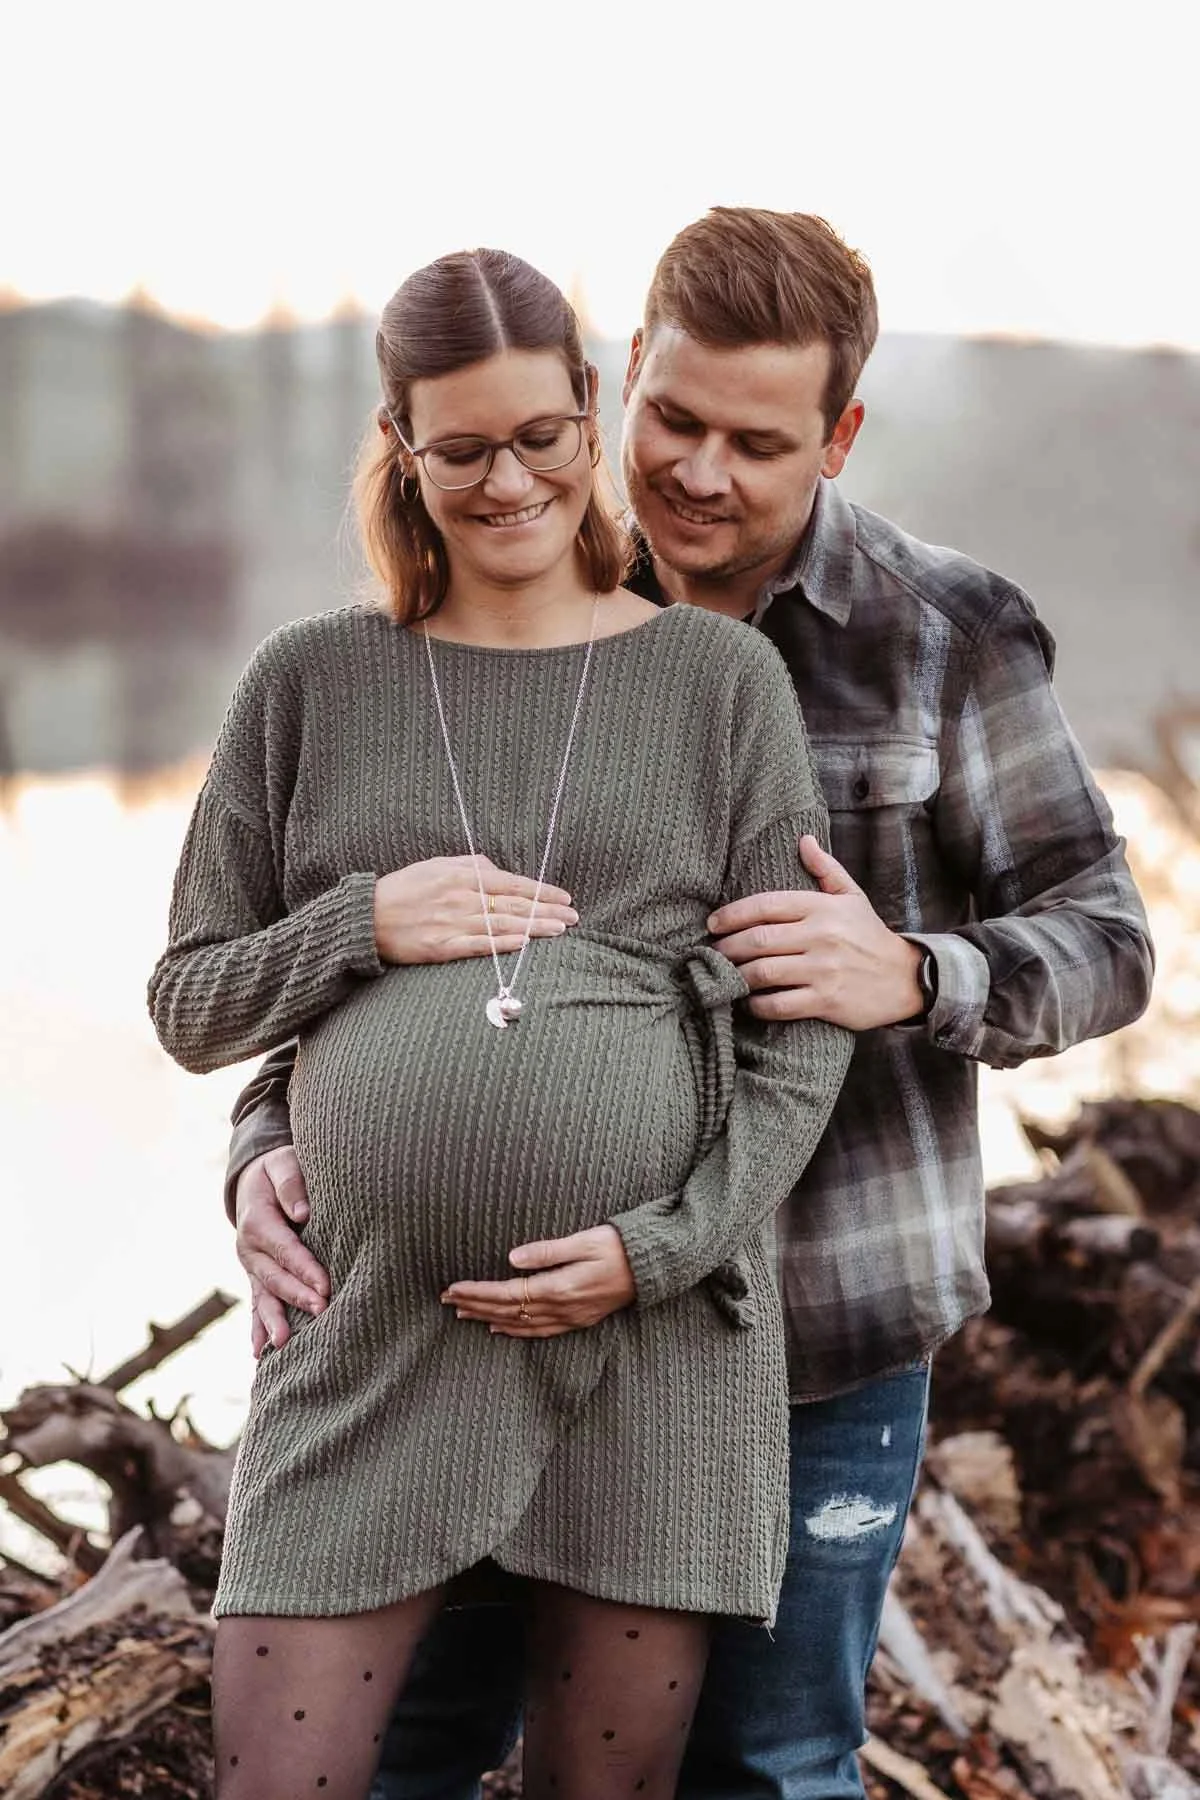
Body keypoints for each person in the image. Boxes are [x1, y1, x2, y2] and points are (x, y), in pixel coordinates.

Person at [225, 210, 1155, 1800]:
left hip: (813, 1331)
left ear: (841, 434)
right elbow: (404, 940)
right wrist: (264, 1140)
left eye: (760, 441)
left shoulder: (943, 635)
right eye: (674, 418)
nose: (702, 472)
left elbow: (1108, 937)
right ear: (622, 376)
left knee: (770, 1764)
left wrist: (920, 973)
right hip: (467, 1327)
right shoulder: (511, 599)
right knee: (418, 1752)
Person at [148, 244, 853, 1800]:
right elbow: (192, 1002)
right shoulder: (311, 682)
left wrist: (664, 1246)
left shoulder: (717, 682)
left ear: (591, 409)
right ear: (399, 442)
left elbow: (800, 1034)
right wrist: (361, 925)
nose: (510, 480)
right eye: (461, 448)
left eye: (541, 435)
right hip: (369, 1333)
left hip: (652, 1347)